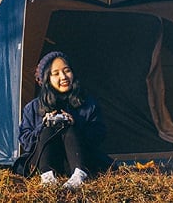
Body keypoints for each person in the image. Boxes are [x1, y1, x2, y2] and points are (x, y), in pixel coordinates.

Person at [15, 51, 112, 189]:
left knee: (69, 127)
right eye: (56, 73)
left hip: (78, 159)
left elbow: (98, 135)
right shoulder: (33, 108)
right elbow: (26, 143)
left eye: (67, 71)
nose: (64, 77)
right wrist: (42, 126)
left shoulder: (87, 104)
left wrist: (76, 124)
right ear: (46, 79)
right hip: (43, 160)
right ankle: (47, 177)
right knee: (49, 128)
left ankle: (79, 176)